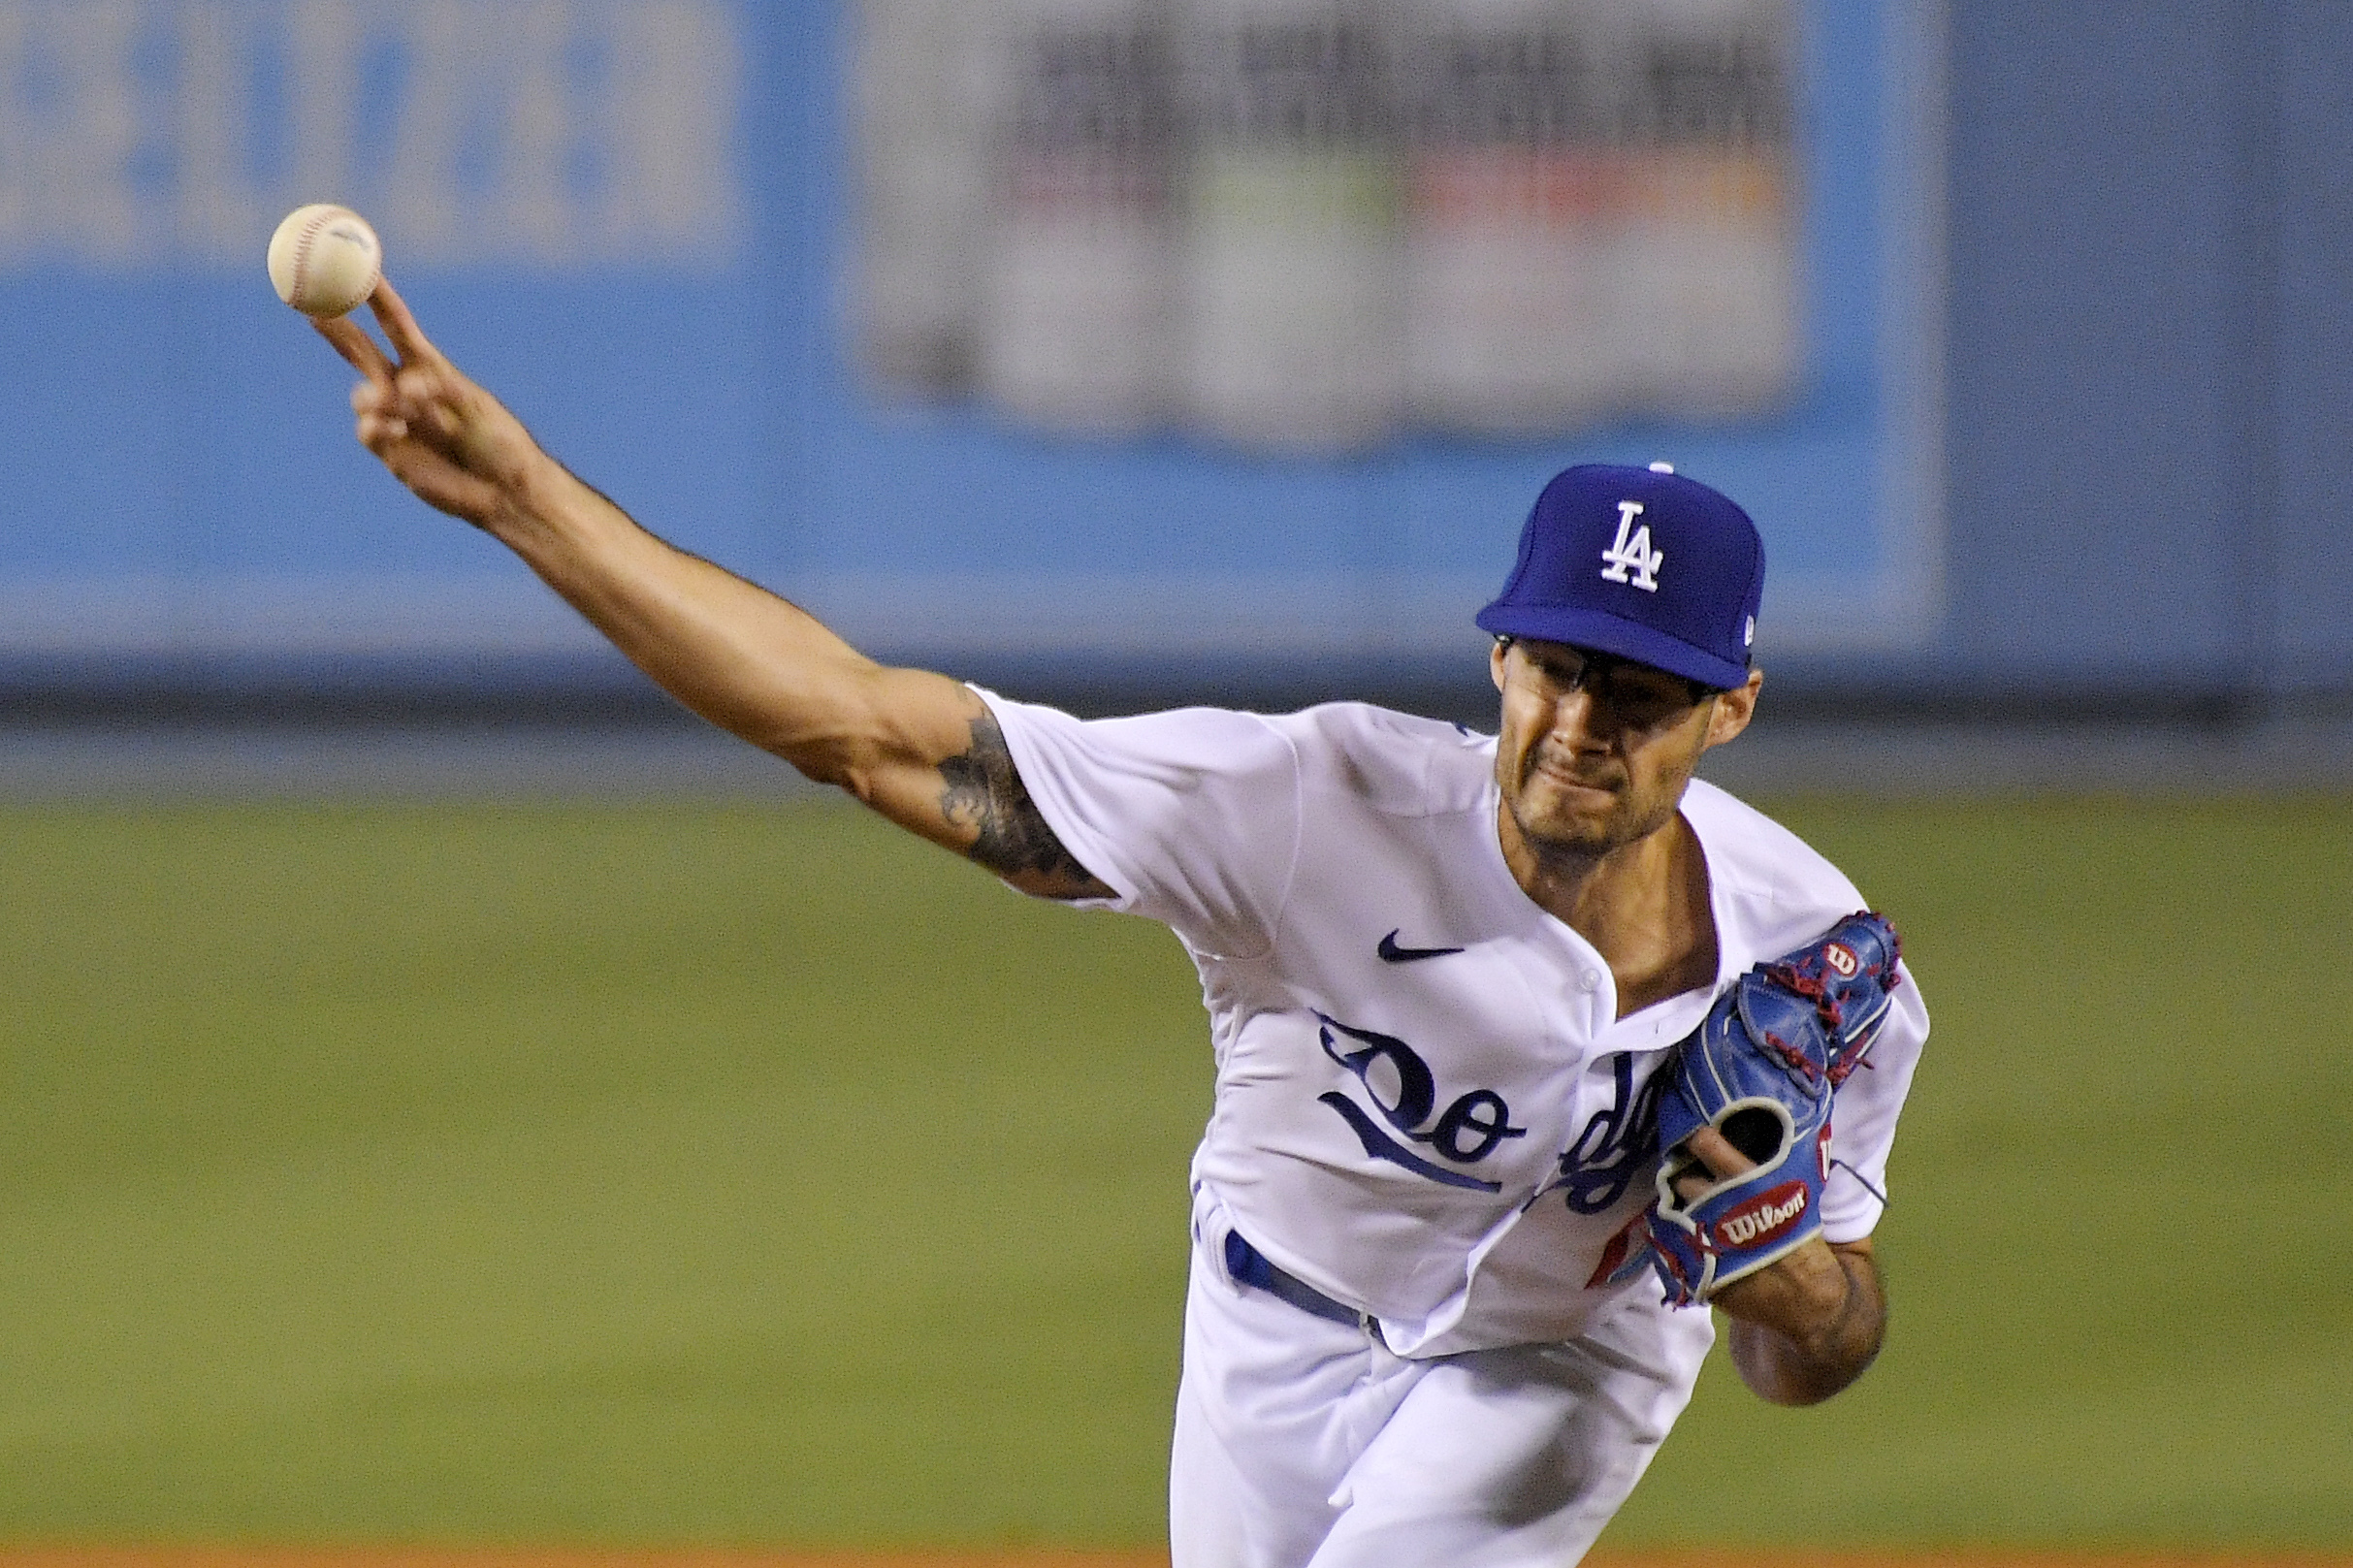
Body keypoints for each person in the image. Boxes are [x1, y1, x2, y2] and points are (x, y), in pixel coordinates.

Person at [312, 283, 1927, 1567]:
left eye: (1634, 692)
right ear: (1496, 659)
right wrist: (528, 502)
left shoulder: (1811, 956)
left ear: (1728, 710)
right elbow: (868, 730)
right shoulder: (1311, 806)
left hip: (1562, 1369)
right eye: (1553, 666)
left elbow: (1814, 1358)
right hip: (1266, 1322)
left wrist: (1777, 1267)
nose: (1578, 720)